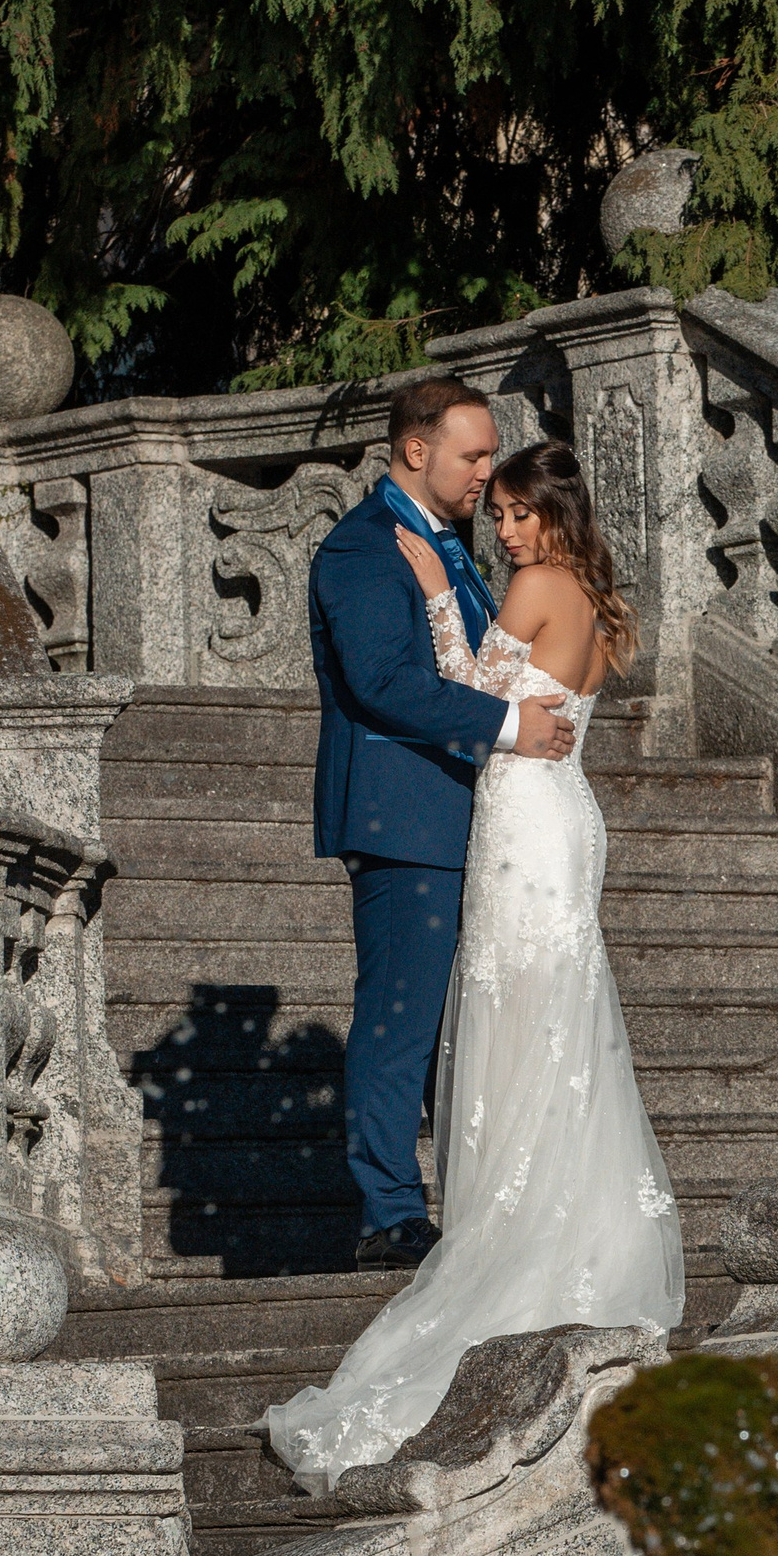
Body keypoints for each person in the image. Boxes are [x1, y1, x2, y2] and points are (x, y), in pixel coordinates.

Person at [267, 439, 685, 1492]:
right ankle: (545, 1209)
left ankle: (513, 1227)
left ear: (551, 516)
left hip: (527, 828)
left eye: (514, 513)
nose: (500, 531)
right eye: (493, 513)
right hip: (560, 815)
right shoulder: (585, 588)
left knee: (524, 1014)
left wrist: (428, 591)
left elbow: (463, 686)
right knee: (551, 1017)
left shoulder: (542, 584)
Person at [308, 375, 579, 1273]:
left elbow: (470, 665)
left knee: (465, 1022)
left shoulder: (453, 548)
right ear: (415, 450)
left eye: (490, 453)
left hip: (474, 818)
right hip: (405, 822)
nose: (485, 473)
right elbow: (384, 683)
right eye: (473, 454)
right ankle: (389, 1212)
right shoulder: (361, 551)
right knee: (400, 1019)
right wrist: (510, 727)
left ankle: (469, 1200)